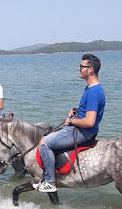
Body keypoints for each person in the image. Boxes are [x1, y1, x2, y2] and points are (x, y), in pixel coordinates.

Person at [34, 54, 106, 192]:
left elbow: (90, 121)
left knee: (44, 143)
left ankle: (50, 181)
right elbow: (89, 112)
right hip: (82, 128)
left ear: (90, 69)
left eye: (82, 66)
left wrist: (71, 121)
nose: (79, 69)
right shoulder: (92, 88)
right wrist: (76, 111)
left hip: (83, 131)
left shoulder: (93, 92)